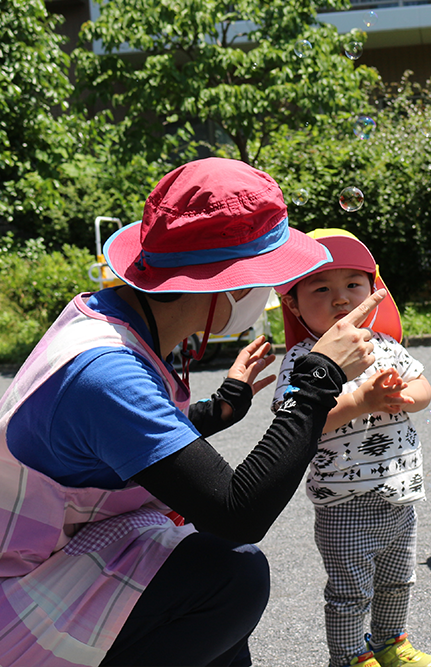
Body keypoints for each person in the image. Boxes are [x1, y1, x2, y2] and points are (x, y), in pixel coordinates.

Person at [0, 157, 385, 667]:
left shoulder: (118, 320)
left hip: (52, 560)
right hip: (17, 602)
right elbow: (237, 512)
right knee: (229, 576)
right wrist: (318, 378)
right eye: (265, 276)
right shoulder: (106, 372)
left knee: (202, 571)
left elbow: (109, 445)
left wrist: (212, 412)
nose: (270, 296)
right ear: (224, 283)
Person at [272, 229, 431, 667]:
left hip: (399, 493)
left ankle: (391, 643)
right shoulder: (302, 361)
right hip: (344, 501)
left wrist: (407, 395)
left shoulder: (386, 346)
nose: (340, 299)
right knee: (350, 591)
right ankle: (350, 657)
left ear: (374, 293)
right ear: (292, 303)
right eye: (321, 288)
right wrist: (360, 401)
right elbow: (297, 420)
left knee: (398, 581)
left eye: (353, 285)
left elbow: (424, 387)